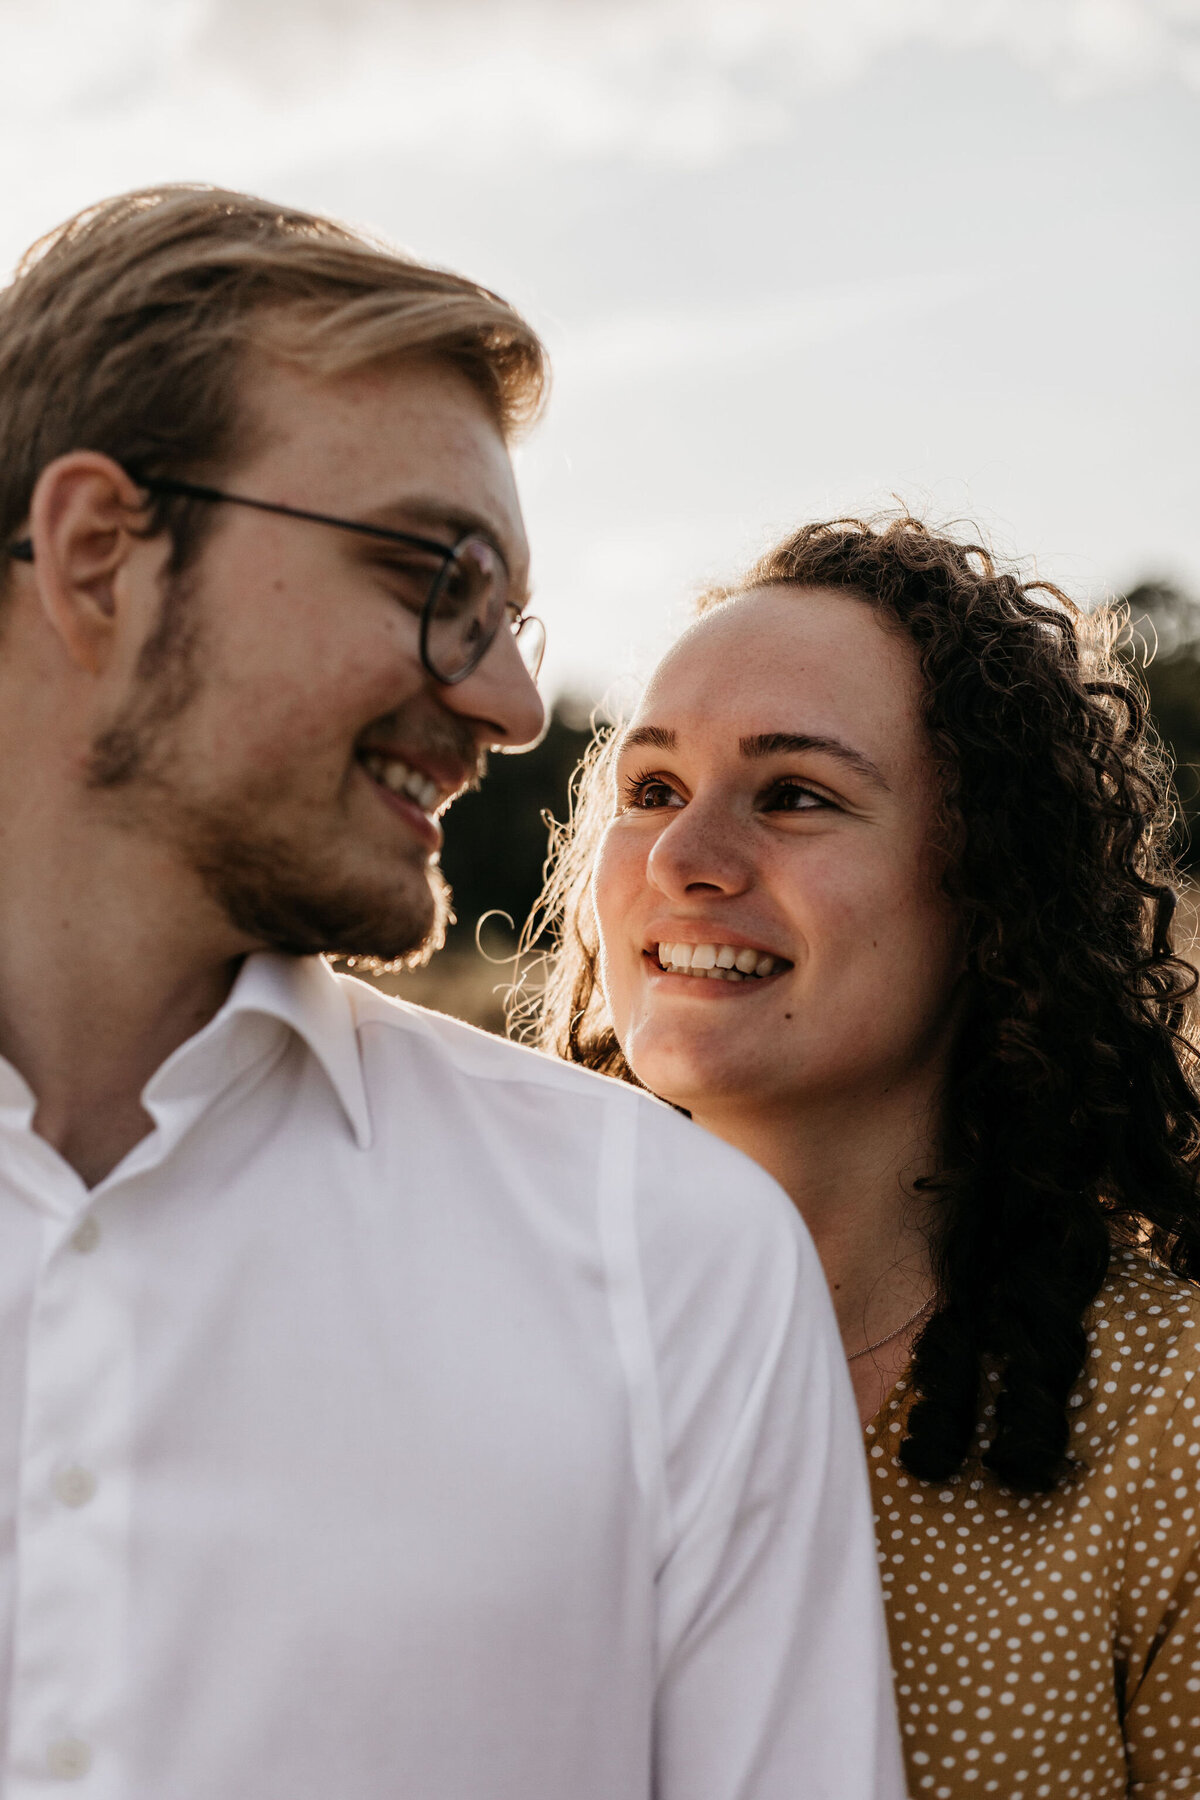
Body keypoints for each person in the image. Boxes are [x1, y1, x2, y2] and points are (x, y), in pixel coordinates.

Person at [0, 187, 905, 1799]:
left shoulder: (672, 1263)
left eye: (509, 620)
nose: (501, 701)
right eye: (435, 579)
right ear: (96, 558)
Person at [530, 514, 1200, 1798]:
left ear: (989, 894)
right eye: (653, 790)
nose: (681, 857)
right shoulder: (482, 1342)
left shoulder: (1162, 1426)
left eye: (794, 795)